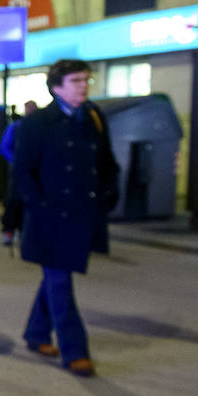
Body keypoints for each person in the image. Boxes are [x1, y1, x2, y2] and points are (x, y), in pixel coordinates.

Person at [14, 59, 118, 377]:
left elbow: (106, 162)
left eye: (86, 80)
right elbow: (22, 173)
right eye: (76, 81)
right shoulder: (38, 123)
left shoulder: (94, 117)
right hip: (51, 217)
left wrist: (107, 196)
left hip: (83, 214)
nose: (83, 86)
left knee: (54, 279)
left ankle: (36, 333)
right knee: (60, 281)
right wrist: (38, 206)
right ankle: (75, 351)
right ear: (57, 87)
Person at [0, 99, 38, 245]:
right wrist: (16, 161)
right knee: (13, 201)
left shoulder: (39, 127)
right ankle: (9, 231)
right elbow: (4, 147)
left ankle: (24, 231)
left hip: (34, 170)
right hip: (18, 171)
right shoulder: (16, 127)